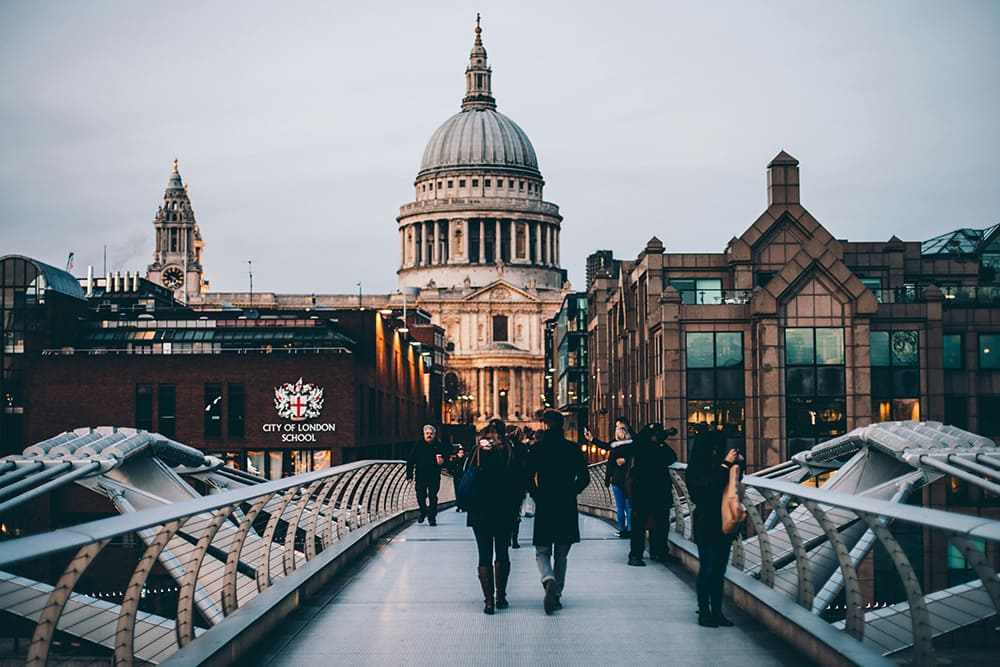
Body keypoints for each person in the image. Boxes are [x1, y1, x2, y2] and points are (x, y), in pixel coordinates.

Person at [527, 409, 590, 615]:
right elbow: (584, 478)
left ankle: (548, 579)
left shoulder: (537, 449)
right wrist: (571, 491)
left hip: (546, 505)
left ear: (545, 426)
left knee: (542, 551)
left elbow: (527, 477)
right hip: (566, 504)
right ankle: (557, 594)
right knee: (561, 553)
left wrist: (537, 494)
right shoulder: (572, 449)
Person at [465, 419, 522, 614]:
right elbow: (518, 483)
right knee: (502, 553)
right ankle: (501, 597)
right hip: (504, 511)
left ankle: (488, 602)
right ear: (503, 433)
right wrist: (516, 509)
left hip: (480, 511)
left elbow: (465, 477)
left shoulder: (477, 452)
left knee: (484, 555)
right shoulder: (508, 451)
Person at [686, 428, 741, 627]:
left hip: (723, 523)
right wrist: (725, 465)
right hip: (706, 522)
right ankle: (704, 611)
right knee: (707, 568)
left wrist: (736, 465)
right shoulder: (695, 469)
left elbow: (733, 487)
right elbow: (705, 491)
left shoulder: (720, 466)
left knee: (719, 570)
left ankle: (717, 611)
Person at [623, 422, 678, 567]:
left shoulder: (645, 446)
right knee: (645, 524)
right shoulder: (642, 446)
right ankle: (644, 553)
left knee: (654, 523)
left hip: (650, 490)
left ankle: (651, 552)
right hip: (648, 490)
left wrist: (660, 443)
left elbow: (672, 457)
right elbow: (670, 457)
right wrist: (660, 444)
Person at [584, 417, 634, 538]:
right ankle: (631, 530)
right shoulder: (634, 444)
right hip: (630, 479)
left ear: (623, 427)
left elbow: (609, 457)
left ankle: (622, 530)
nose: (616, 428)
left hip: (617, 479)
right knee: (629, 506)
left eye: (618, 426)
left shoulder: (615, 447)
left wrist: (607, 480)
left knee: (620, 507)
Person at [406, 424, 448, 526]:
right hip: (421, 476)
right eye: (427, 433)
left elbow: (446, 458)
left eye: (431, 434)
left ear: (434, 435)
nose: (429, 435)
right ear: (424, 434)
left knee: (433, 497)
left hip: (434, 476)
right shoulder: (418, 445)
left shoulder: (439, 445)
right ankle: (423, 511)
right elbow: (411, 460)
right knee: (420, 496)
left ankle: (432, 518)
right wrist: (409, 475)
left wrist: (443, 462)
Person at [449, 444, 467, 512]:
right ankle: (459, 505)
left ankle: (462, 505)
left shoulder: (465, 460)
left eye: (462, 453)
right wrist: (454, 474)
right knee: (457, 491)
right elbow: (449, 469)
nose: (462, 454)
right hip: (457, 478)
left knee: (463, 492)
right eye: (460, 453)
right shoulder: (454, 461)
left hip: (463, 478)